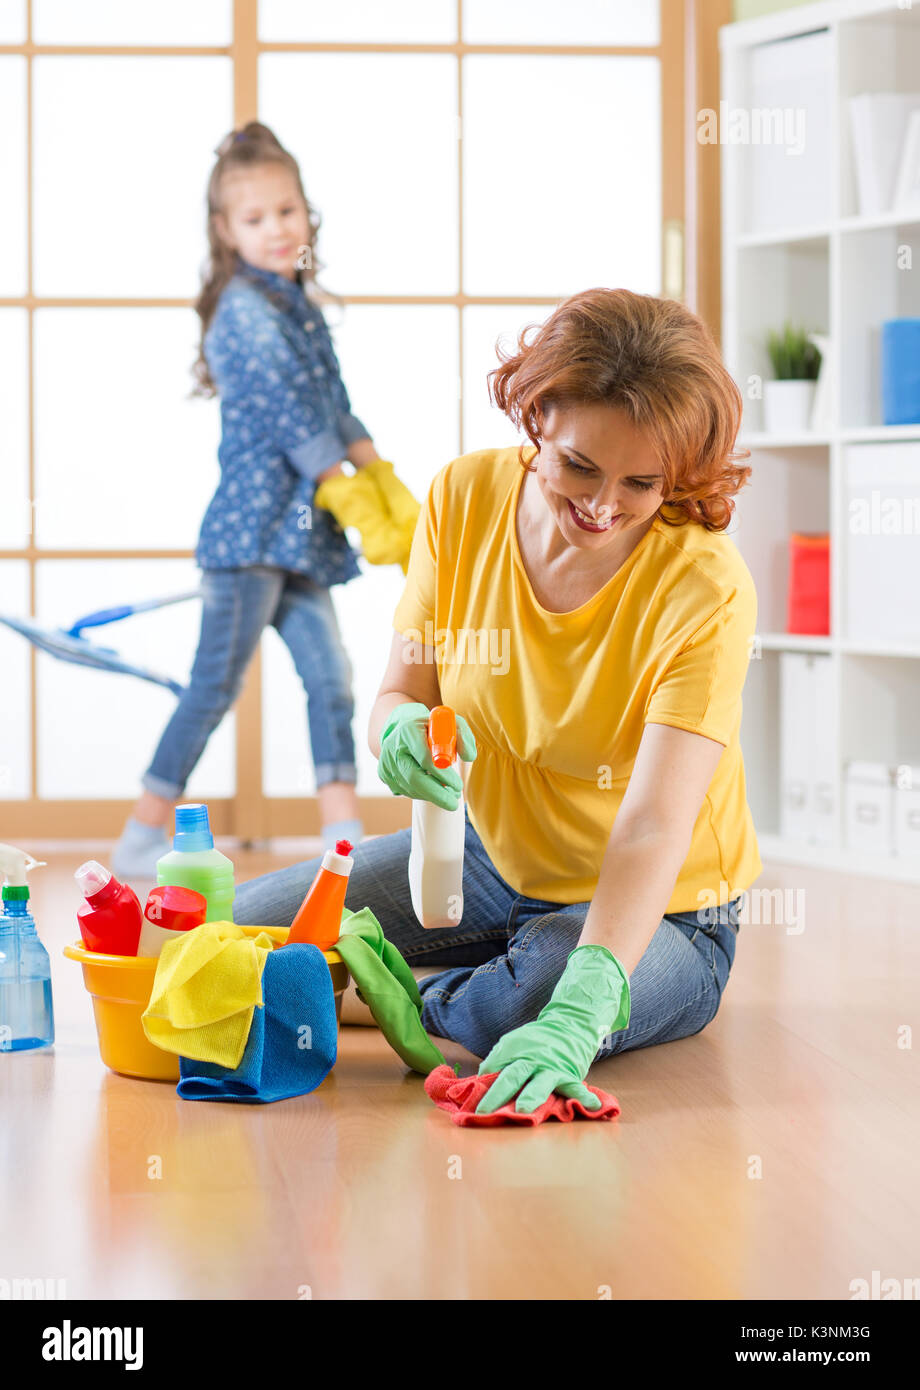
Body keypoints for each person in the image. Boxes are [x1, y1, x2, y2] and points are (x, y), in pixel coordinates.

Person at [231, 287, 762, 1114]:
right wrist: (399, 731)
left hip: (666, 909)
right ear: (538, 413)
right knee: (247, 933)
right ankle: (429, 984)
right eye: (580, 465)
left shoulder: (704, 588)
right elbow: (401, 692)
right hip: (485, 855)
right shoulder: (463, 499)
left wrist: (585, 1003)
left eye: (641, 483)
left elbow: (656, 822)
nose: (602, 505)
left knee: (545, 995)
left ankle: (403, 995)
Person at [113, 122, 419, 879]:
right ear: (225, 231)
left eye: (287, 211)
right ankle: (140, 836)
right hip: (252, 539)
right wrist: (351, 490)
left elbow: (335, 404)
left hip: (301, 538)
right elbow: (292, 417)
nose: (277, 229)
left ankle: (342, 840)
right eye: (255, 219)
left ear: (306, 212)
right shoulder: (244, 312)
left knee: (330, 680)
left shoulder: (298, 303)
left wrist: (382, 475)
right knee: (215, 684)